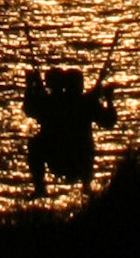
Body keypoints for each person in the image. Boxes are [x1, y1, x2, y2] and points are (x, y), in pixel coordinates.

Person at [23, 62, 116, 196]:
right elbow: (109, 121)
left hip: (56, 159)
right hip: (79, 160)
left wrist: (30, 87)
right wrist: (109, 100)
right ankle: (86, 185)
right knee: (84, 144)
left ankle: (40, 187)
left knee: (35, 143)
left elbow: (29, 108)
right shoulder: (86, 103)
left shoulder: (50, 103)